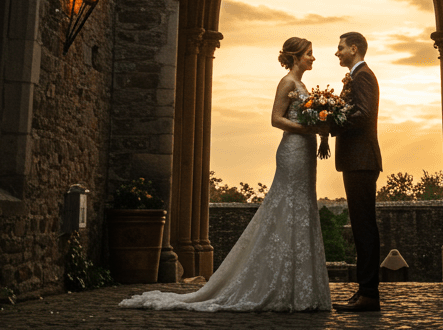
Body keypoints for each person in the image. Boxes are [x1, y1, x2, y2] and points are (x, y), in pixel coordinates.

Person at [119, 37, 331, 313]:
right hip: (292, 149)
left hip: (306, 151)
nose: (313, 58)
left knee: (303, 208)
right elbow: (276, 119)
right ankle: (272, 285)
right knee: (287, 205)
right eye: (309, 54)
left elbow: (311, 119)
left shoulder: (303, 86)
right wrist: (307, 130)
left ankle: (299, 286)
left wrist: (323, 133)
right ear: (295, 57)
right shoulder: (288, 83)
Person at [332, 32, 382, 314]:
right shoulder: (355, 76)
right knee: (361, 225)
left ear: (354, 48)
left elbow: (363, 113)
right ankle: (365, 290)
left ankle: (369, 294)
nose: (336, 52)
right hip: (356, 160)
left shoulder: (362, 76)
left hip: (362, 159)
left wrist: (333, 123)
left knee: (364, 227)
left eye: (340, 48)